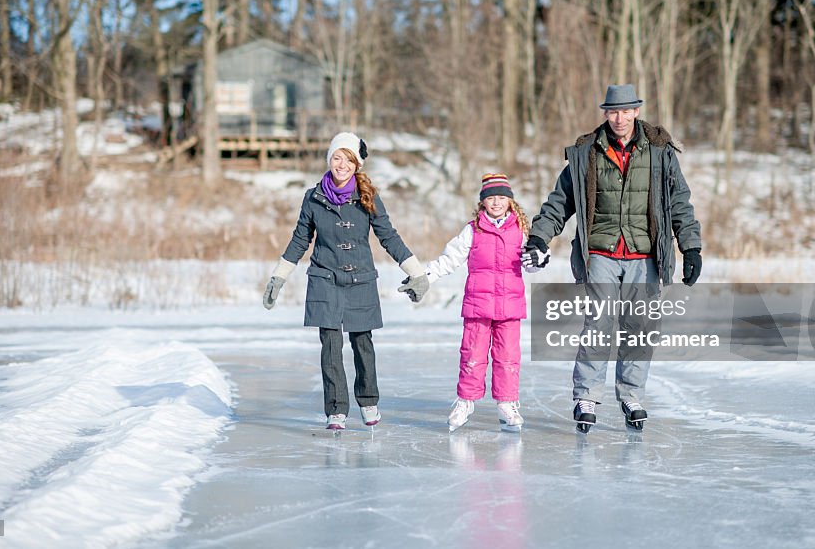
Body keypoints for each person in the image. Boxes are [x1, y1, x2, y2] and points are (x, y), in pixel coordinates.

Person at [521, 84, 702, 432]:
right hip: (600, 253)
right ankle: (586, 394)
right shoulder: (587, 152)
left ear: (636, 111)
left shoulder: (660, 152)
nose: (619, 118)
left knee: (640, 328)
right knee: (599, 325)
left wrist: (690, 246)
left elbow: (679, 201)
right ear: (605, 113)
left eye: (625, 111)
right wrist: (539, 238)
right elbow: (561, 200)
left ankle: (631, 393)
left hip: (645, 253)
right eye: (612, 112)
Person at [263, 132, 429, 430]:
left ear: (357, 165)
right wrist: (279, 276)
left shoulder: (368, 196)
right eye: (337, 158)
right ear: (329, 160)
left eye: (348, 159)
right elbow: (300, 239)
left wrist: (417, 272)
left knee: (362, 342)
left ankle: (368, 400)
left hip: (360, 279)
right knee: (330, 344)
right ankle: (336, 409)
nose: (342, 165)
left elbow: (388, 236)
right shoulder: (313, 197)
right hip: (324, 277)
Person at [423, 173, 540, 433]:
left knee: (508, 358)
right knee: (472, 356)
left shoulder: (521, 230)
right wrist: (426, 277)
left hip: (510, 308)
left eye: (501, 198)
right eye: (490, 198)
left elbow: (532, 265)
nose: (496, 203)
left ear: (510, 201)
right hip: (478, 306)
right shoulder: (472, 229)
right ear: (482, 202)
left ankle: (507, 404)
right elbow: (450, 258)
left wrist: (539, 260)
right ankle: (466, 402)